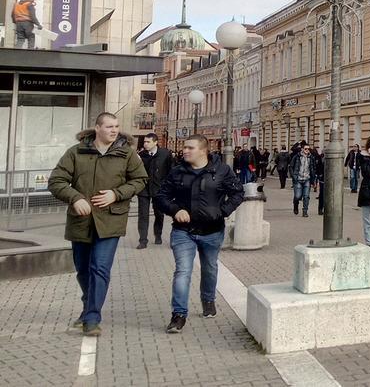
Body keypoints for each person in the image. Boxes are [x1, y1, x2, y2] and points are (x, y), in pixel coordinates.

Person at [48, 113, 147, 337]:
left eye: (116, 126)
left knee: (100, 268)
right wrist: (75, 198)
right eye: (109, 126)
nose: (114, 130)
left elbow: (140, 180)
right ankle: (87, 307)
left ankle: (92, 318)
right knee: (83, 270)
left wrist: (116, 193)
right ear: (97, 128)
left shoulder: (126, 154)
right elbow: (56, 180)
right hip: (81, 221)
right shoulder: (76, 152)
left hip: (111, 220)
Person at [155, 135, 243, 334]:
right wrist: (175, 209)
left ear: (203, 150)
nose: (185, 150)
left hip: (212, 231)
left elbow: (237, 193)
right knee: (182, 271)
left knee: (209, 268)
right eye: (185, 147)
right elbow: (161, 196)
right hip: (183, 231)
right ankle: (178, 315)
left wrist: (223, 211)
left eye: (190, 148)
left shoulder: (221, 170)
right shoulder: (177, 172)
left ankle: (208, 299)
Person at [136, 133, 173, 249]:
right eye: (144, 142)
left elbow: (171, 171)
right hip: (144, 189)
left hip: (159, 189)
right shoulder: (141, 155)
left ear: (155, 142)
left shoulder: (165, 154)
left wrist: (168, 188)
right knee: (143, 215)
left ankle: (158, 235)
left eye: (148, 142)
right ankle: (143, 240)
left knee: (159, 213)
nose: (145, 144)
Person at [290, 143, 319, 217]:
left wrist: (314, 180)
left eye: (308, 149)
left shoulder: (311, 157)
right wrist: (293, 176)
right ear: (302, 149)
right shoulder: (297, 157)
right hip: (298, 179)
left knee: (306, 196)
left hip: (307, 179)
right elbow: (291, 166)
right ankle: (295, 205)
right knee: (297, 196)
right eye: (306, 149)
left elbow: (314, 168)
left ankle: (305, 211)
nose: (307, 150)